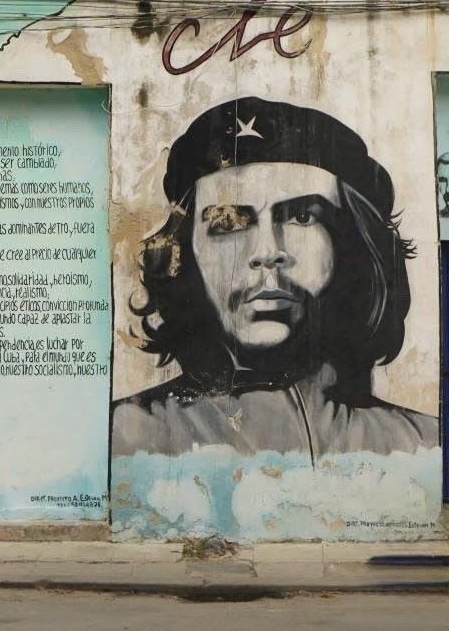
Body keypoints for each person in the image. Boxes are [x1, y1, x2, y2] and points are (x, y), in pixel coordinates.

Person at [112, 96, 439, 461]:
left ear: (355, 244)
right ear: (184, 252)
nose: (267, 251)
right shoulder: (125, 440)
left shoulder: (423, 446)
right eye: (228, 222)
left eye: (302, 217)